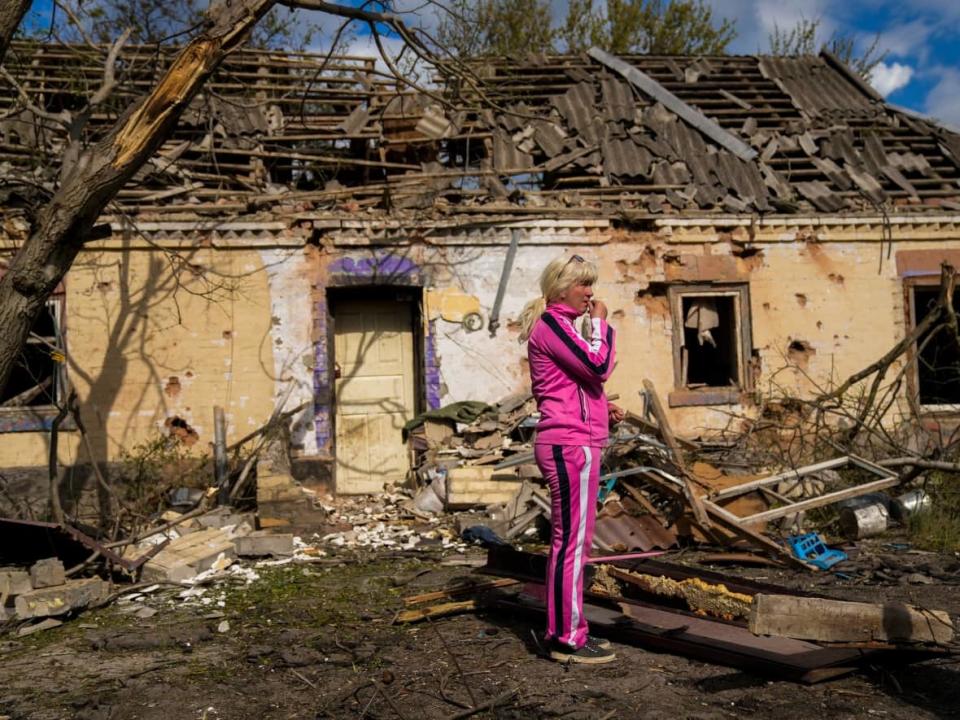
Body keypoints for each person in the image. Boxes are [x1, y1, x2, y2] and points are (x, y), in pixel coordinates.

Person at [518, 253, 624, 664]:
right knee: (571, 545)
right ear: (562, 287)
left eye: (591, 285)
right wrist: (600, 323)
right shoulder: (552, 325)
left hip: (577, 440)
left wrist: (603, 409)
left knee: (572, 544)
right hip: (569, 445)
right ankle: (566, 637)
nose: (590, 293)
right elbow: (597, 366)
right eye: (584, 285)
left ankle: (567, 631)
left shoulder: (560, 327)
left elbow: (578, 384)